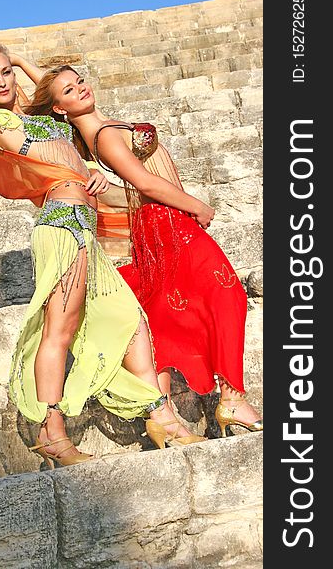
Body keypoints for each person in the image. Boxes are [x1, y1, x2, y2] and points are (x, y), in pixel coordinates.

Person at [0, 43, 206, 469]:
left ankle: (162, 419)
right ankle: (52, 434)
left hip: (83, 228)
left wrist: (22, 62)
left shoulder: (37, 120)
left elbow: (59, 95)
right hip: (61, 228)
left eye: (6, 72)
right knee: (59, 329)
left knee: (129, 321)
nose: (2, 81)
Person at [21, 63, 263, 437]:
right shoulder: (100, 136)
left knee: (167, 313)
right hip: (166, 220)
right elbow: (144, 181)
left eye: (80, 81)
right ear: (59, 109)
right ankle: (229, 398)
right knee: (227, 293)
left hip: (166, 220)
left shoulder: (99, 123)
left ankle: (164, 412)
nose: (80, 89)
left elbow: (54, 87)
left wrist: (23, 63)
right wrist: (195, 205)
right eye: (69, 92)